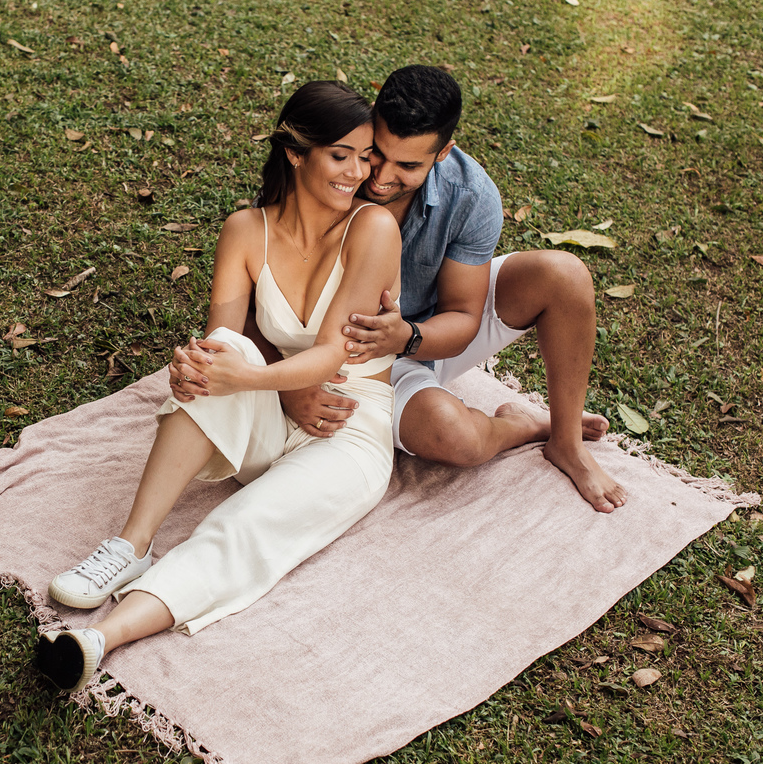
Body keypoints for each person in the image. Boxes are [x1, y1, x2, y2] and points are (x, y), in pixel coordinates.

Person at [34, 81, 402, 692]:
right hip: (277, 408)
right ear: (295, 152)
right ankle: (132, 544)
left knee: (248, 525)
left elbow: (337, 351)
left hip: (347, 427)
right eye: (342, 155)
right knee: (218, 352)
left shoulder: (374, 228)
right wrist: (193, 368)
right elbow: (223, 344)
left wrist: (253, 376)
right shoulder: (244, 230)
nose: (358, 172)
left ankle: (96, 641)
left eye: (365, 157)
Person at [173, 65, 626, 514]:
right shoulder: (328, 171)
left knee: (564, 275)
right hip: (345, 358)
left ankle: (564, 442)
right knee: (456, 437)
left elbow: (464, 317)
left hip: (422, 334)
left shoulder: (470, 194)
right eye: (378, 153)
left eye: (408, 165)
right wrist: (285, 387)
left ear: (443, 152)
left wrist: (406, 336)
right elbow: (256, 307)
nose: (378, 177)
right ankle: (520, 427)